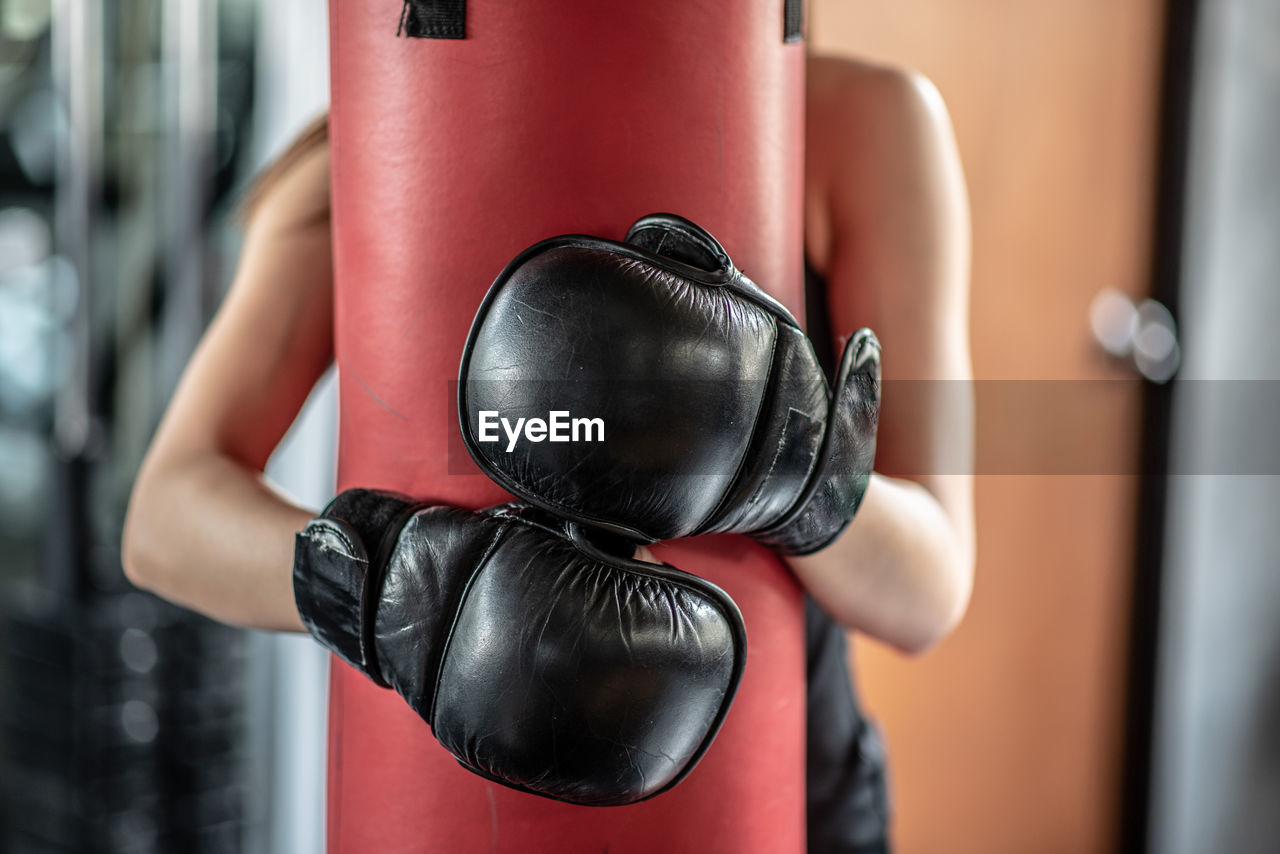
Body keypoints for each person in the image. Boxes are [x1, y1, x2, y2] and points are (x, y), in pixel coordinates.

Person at [122, 53, 974, 852]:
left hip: (793, 798)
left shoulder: (861, 123)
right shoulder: (388, 132)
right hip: (454, 803)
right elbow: (165, 518)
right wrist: (392, 593)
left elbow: (927, 594)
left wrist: (794, 476)